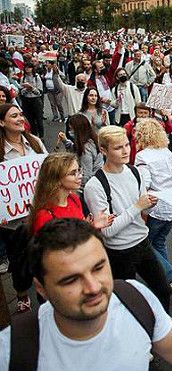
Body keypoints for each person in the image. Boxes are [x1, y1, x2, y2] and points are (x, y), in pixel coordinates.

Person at [0, 218, 172, 370]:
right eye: (71, 280)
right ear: (40, 288)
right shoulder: (12, 351)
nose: (93, 287)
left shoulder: (134, 297)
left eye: (99, 268)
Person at [84, 125, 171, 310]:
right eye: (118, 147)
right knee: (127, 304)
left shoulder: (135, 171)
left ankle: (162, 332)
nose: (125, 151)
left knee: (164, 290)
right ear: (103, 150)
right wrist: (138, 206)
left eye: (126, 145)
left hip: (143, 243)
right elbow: (108, 231)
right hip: (119, 252)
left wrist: (148, 206)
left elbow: (142, 214)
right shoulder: (95, 185)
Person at [0, 103, 48, 313]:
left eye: (21, 114)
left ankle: (45, 299)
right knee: (20, 263)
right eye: (14, 116)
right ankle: (21, 292)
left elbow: (47, 170)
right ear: (2, 122)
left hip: (40, 215)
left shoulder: (35, 142)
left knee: (43, 260)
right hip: (13, 224)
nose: (20, 118)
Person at [134, 118, 172, 290]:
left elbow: (144, 185)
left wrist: (141, 209)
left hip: (156, 209)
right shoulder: (167, 152)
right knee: (159, 242)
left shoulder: (142, 156)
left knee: (144, 243)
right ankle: (164, 278)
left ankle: (169, 275)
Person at [28, 153, 111, 235]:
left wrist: (92, 226)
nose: (80, 176)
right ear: (56, 179)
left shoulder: (74, 199)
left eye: (79, 170)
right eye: (73, 173)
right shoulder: (44, 216)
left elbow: (79, 235)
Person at [57, 114, 104, 194]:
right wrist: (65, 141)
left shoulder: (86, 149)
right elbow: (75, 148)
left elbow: (86, 175)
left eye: (71, 129)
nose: (70, 132)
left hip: (92, 186)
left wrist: (75, 189)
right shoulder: (89, 139)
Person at [19, 63, 44, 138]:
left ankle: (41, 136)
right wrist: (26, 89)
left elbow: (40, 92)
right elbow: (21, 91)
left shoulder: (36, 77)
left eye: (29, 67)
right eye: (26, 67)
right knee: (30, 120)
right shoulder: (23, 78)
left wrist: (32, 88)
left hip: (35, 100)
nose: (27, 69)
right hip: (26, 100)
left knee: (39, 119)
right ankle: (34, 135)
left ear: (32, 68)